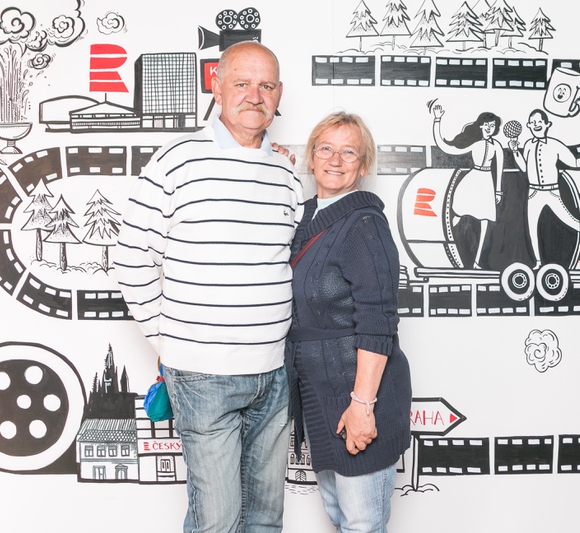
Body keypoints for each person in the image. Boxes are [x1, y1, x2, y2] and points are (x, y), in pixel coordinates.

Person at [114, 41, 303, 533]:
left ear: (279, 94)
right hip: (202, 375)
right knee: (217, 522)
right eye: (241, 83)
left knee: (265, 520)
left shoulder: (286, 172)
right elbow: (130, 257)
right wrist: (169, 340)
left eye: (266, 86)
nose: (254, 96)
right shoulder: (176, 161)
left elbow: (287, 260)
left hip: (274, 373)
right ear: (216, 87)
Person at [287, 112, 412, 533]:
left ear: (363, 165)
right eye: (325, 148)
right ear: (311, 157)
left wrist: (362, 406)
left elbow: (378, 322)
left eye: (349, 152)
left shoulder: (364, 224)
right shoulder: (305, 218)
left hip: (359, 395)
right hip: (320, 396)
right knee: (340, 518)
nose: (335, 160)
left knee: (362, 524)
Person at [510, 109, 580, 268]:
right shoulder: (528, 145)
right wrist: (514, 151)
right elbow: (524, 168)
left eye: (539, 122)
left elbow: (574, 163)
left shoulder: (555, 145)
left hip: (552, 192)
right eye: (533, 122)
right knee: (532, 228)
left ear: (547, 124)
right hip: (533, 193)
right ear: (529, 125)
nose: (536, 125)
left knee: (572, 222)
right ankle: (538, 263)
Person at [432, 105, 504, 269]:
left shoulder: (497, 146)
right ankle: (444, 243)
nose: (489, 128)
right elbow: (446, 148)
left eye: (492, 125)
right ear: (481, 126)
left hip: (486, 183)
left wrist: (498, 190)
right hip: (472, 180)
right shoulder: (475, 144)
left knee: (485, 221)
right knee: (456, 213)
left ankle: (477, 261)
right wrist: (437, 120)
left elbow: (499, 169)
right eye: (486, 125)